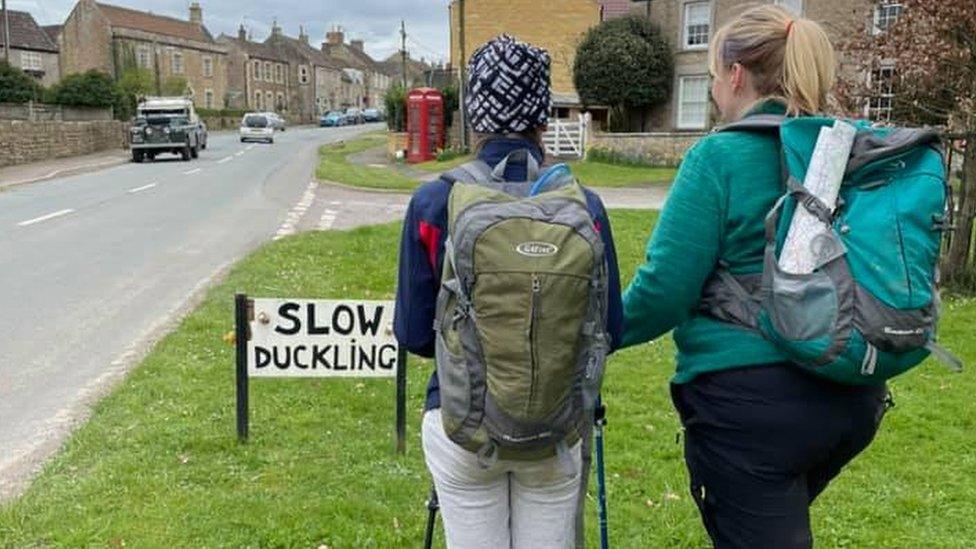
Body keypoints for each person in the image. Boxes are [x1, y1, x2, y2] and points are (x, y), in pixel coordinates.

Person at [620, 6, 888, 548]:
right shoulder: (842, 152)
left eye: (717, 76)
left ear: (736, 75)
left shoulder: (719, 157)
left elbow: (664, 291)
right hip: (851, 396)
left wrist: (597, 332)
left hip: (751, 410)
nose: (716, 90)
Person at [394, 35, 623, 548]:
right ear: (543, 118)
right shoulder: (585, 206)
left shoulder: (435, 202)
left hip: (462, 422)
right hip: (557, 428)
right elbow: (611, 329)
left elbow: (412, 334)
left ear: (476, 113)